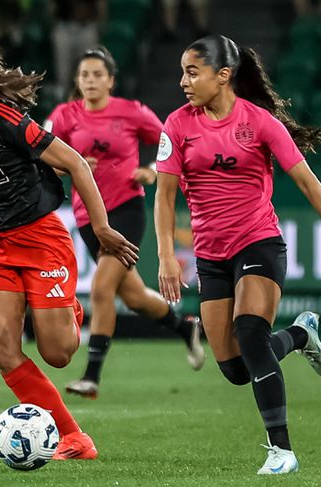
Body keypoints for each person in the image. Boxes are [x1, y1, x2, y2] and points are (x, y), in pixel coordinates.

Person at [155, 35, 321, 474]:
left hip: (258, 242)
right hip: (211, 255)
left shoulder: (259, 123)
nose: (183, 81)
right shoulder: (177, 125)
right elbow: (163, 198)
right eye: (182, 71)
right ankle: (299, 336)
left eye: (192, 71)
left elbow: (308, 182)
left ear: (223, 76)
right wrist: (165, 256)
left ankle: (282, 451)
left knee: (251, 332)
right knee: (236, 369)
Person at [0, 36, 138, 460]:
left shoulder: (7, 121)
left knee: (57, 353)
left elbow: (74, 162)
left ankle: (67, 310)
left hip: (40, 240)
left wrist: (102, 227)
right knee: (0, 345)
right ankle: (74, 437)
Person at [43, 47, 205, 399]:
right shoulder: (64, 116)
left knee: (101, 289)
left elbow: (170, 143)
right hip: (89, 218)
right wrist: (71, 165)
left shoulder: (130, 112)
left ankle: (92, 376)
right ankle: (184, 327)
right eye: (84, 75)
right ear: (77, 81)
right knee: (132, 296)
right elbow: (41, 163)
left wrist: (150, 170)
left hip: (127, 211)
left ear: (111, 80)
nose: (90, 81)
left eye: (97, 75)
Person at [49, 0, 105, 99]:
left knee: (88, 72)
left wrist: (100, 22)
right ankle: (64, 105)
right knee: (63, 76)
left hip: (87, 27)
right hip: (64, 26)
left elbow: (101, 4)